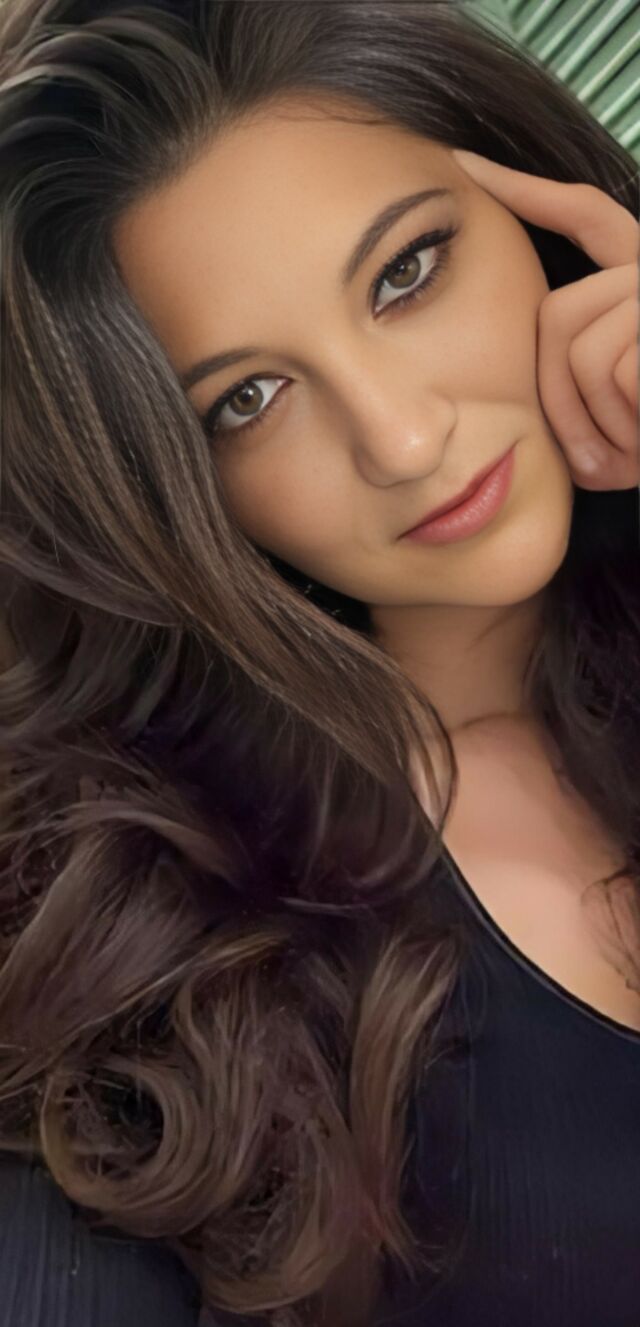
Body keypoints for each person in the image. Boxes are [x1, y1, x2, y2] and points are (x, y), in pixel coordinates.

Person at [0, 1, 638, 1324]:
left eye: (407, 273)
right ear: (171, 495)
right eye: (248, 400)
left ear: (540, 215)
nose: (400, 439)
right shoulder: (179, 939)